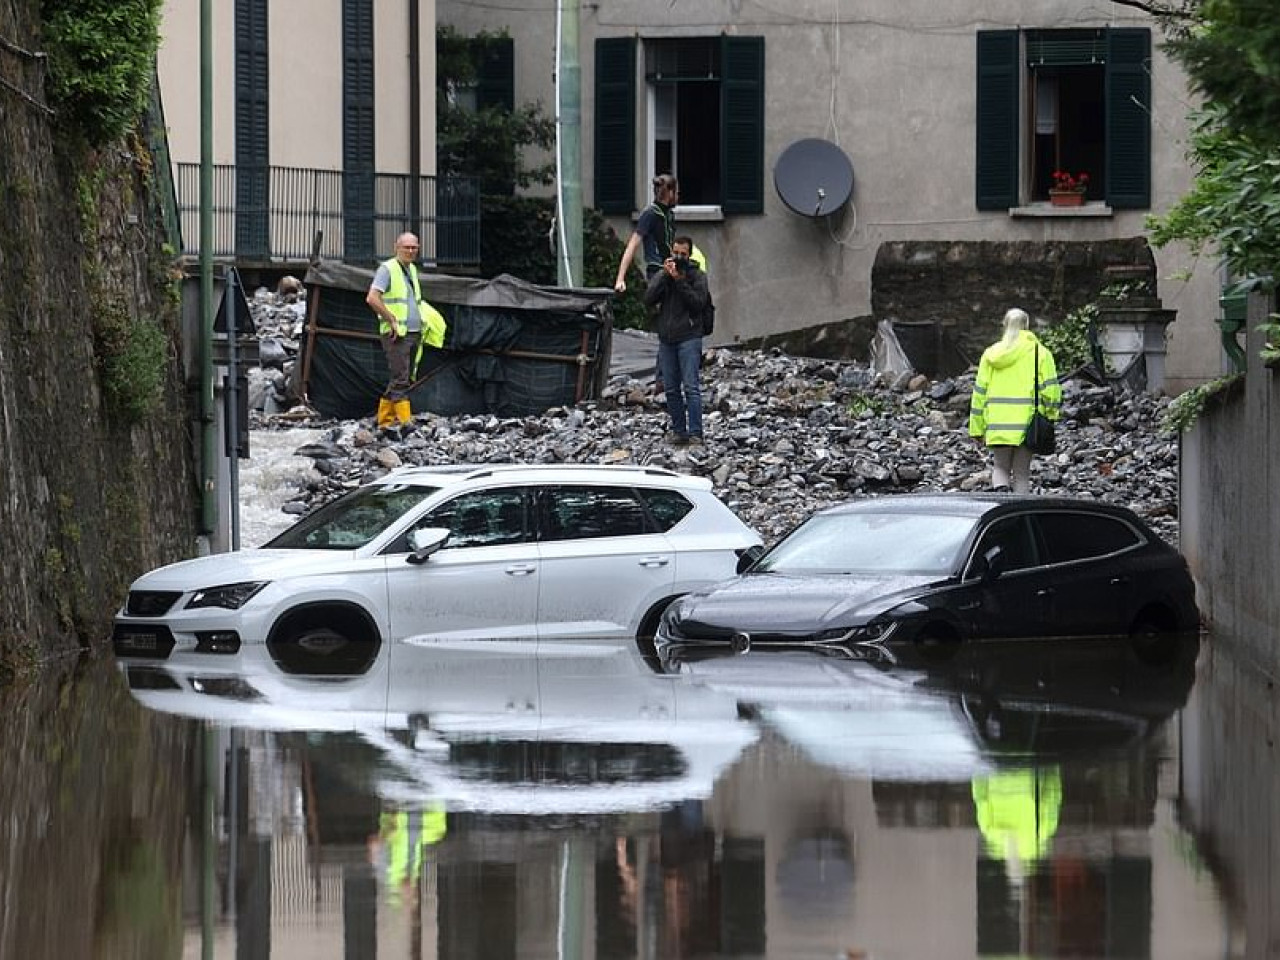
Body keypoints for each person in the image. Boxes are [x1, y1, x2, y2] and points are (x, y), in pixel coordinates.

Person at [968, 307, 1062, 493]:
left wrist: (976, 428)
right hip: (1027, 425)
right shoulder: (1040, 353)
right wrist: (1050, 415)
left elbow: (979, 394)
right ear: (1027, 326)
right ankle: (1020, 515)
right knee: (1021, 474)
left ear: (1004, 325)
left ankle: (1001, 500)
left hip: (997, 423)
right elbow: (1051, 391)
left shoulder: (990, 354)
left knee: (1000, 468)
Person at [366, 232, 446, 429]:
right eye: (407, 247)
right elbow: (372, 298)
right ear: (397, 247)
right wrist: (390, 319)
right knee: (401, 378)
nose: (411, 251)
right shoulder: (388, 269)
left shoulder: (411, 270)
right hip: (397, 333)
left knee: (400, 377)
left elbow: (415, 302)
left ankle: (385, 421)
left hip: (412, 332)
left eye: (414, 247)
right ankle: (404, 422)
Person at [645, 235, 709, 445]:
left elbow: (698, 304)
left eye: (683, 254)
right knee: (671, 388)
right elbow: (648, 298)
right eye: (676, 253)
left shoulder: (697, 276)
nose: (679, 257)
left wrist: (680, 281)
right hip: (667, 338)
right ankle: (679, 430)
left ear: (689, 255)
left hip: (689, 336)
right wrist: (665, 275)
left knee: (691, 387)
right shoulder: (665, 274)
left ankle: (696, 433)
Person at [614, 173, 678, 293]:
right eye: (676, 192)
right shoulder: (650, 214)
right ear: (670, 193)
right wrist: (620, 278)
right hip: (656, 273)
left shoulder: (669, 215)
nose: (677, 196)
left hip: (670, 270)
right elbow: (632, 245)